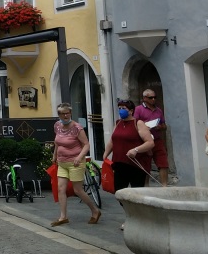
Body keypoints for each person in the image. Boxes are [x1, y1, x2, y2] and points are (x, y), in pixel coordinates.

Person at [103, 99, 155, 229]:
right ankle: (131, 216)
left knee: (137, 193)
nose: (121, 110)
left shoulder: (138, 123)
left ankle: (137, 218)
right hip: (120, 162)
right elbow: (112, 140)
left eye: (124, 108)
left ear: (131, 111)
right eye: (119, 107)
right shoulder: (118, 123)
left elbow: (149, 142)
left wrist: (135, 150)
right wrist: (106, 153)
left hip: (136, 164)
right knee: (119, 192)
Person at [50, 103, 101, 227]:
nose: (66, 115)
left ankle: (95, 210)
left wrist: (79, 157)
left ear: (71, 113)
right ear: (59, 115)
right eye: (63, 113)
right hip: (62, 162)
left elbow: (86, 144)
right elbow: (57, 141)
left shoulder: (77, 128)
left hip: (75, 163)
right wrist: (55, 155)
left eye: (68, 113)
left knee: (77, 190)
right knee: (61, 189)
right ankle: (63, 216)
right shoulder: (57, 125)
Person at [133, 89, 170, 186]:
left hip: (157, 139)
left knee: (163, 163)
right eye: (150, 98)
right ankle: (146, 186)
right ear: (144, 98)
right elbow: (134, 124)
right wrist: (144, 127)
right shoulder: (138, 109)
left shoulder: (158, 110)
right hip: (144, 141)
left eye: (155, 97)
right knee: (146, 165)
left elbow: (164, 125)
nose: (153, 99)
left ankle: (164, 185)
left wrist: (160, 127)